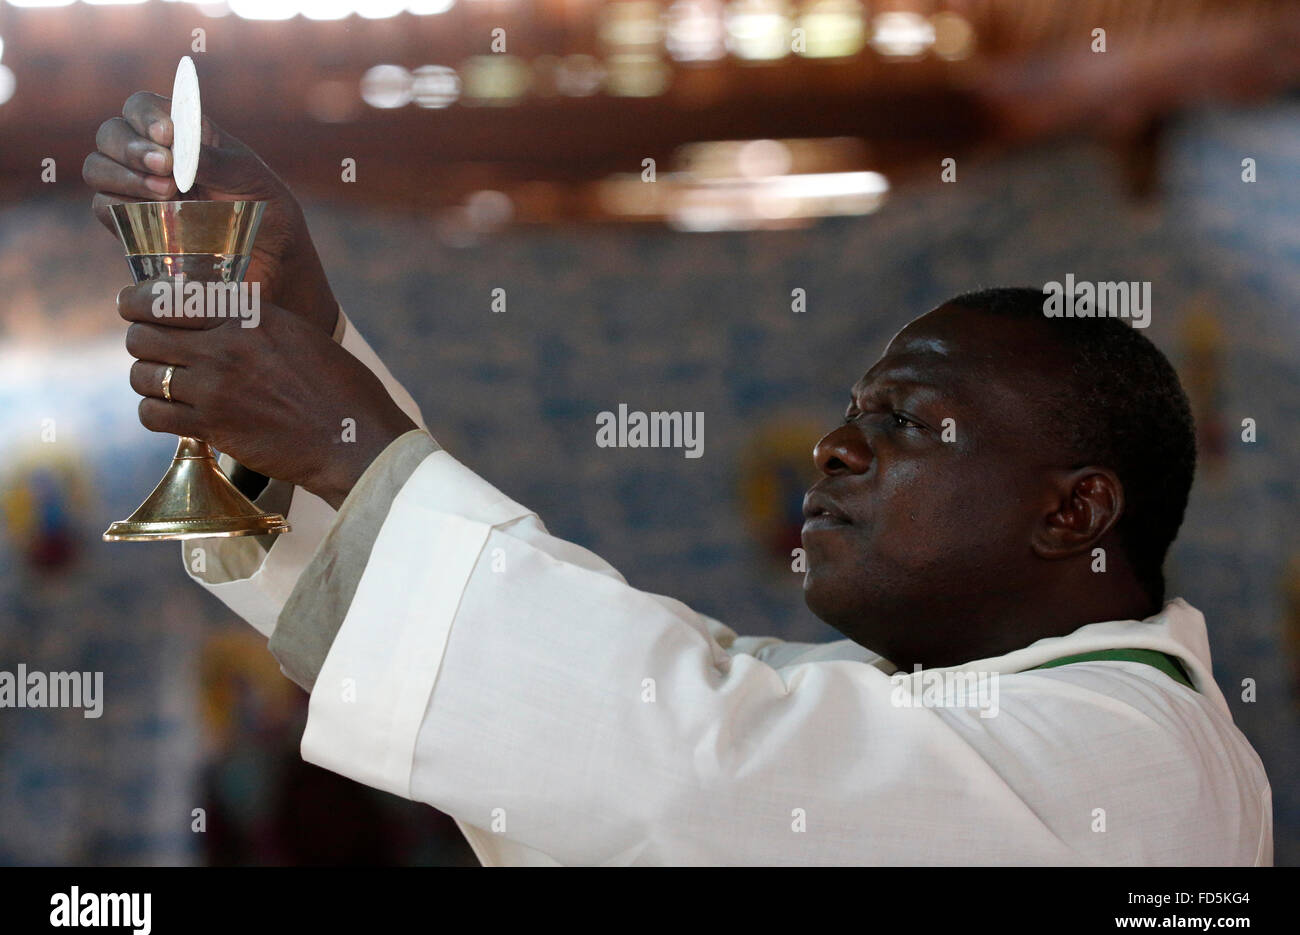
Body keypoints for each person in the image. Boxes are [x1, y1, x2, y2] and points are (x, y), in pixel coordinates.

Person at [85, 93, 1273, 866]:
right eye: (853, 411)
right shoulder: (920, 707)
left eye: (909, 420)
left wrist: (342, 435)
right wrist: (304, 334)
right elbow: (627, 718)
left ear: (1074, 510)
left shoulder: (1135, 760)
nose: (835, 448)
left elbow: (688, 768)